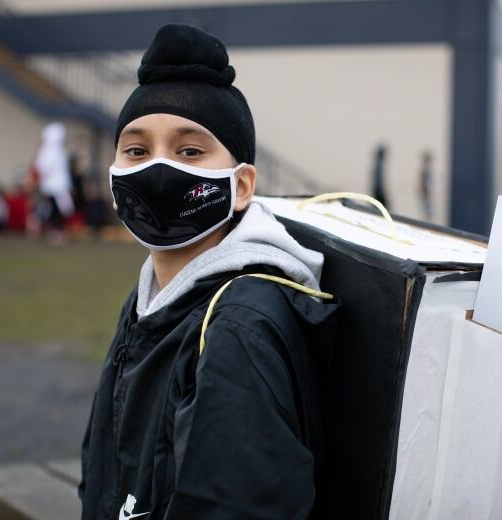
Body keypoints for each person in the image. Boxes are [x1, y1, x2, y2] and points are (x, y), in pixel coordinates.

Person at [77, 24, 340, 520]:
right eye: (136, 150)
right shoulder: (151, 296)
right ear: (113, 177)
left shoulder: (238, 326)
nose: (157, 169)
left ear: (241, 186)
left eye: (190, 150)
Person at [34, 122, 74, 243]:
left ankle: (53, 230)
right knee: (53, 209)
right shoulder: (52, 151)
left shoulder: (55, 150)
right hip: (52, 186)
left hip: (56, 186)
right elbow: (43, 167)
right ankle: (53, 231)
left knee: (56, 210)